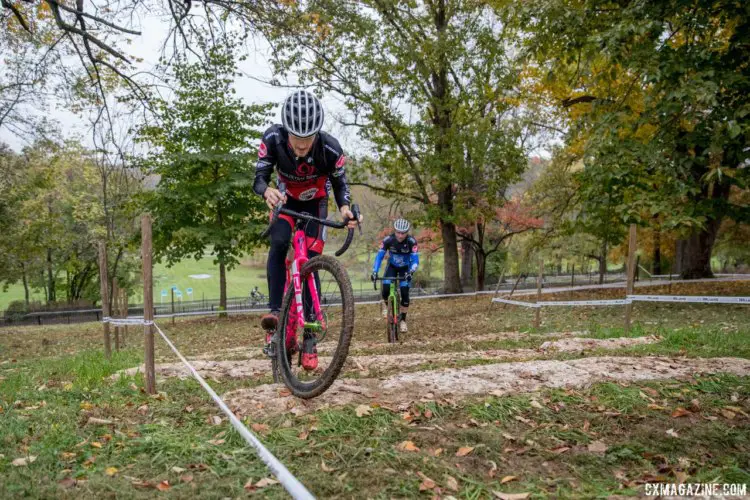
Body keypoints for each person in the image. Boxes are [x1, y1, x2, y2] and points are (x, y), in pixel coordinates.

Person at [253, 90, 360, 370]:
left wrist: (346, 208)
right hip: (285, 202)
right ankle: (275, 314)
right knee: (278, 245)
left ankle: (311, 337)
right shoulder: (272, 138)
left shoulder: (331, 148)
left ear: (317, 134)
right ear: (286, 131)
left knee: (311, 260)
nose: (301, 149)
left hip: (316, 204)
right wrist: (267, 192)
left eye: (307, 142)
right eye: (296, 142)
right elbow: (259, 179)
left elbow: (340, 185)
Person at [371, 218, 419, 333]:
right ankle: (386, 305)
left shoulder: (412, 242)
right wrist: (375, 271)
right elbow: (379, 257)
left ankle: (403, 320)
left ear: (407, 232)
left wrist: (411, 272)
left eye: (403, 233)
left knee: (404, 292)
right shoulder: (388, 240)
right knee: (386, 287)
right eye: (398, 232)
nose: (401, 235)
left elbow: (415, 261)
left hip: (405, 268)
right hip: (392, 266)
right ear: (395, 231)